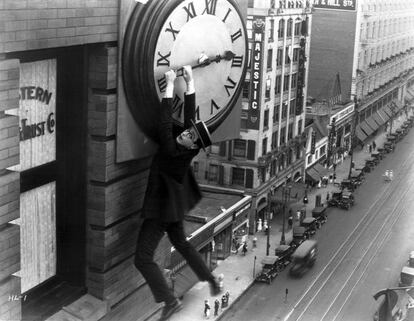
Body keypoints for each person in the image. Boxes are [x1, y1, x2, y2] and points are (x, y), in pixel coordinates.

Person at [134, 66, 223, 321]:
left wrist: (171, 85)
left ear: (192, 144)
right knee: (181, 243)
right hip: (172, 206)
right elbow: (189, 120)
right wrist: (190, 82)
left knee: (142, 258)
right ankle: (211, 279)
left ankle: (170, 300)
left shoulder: (173, 151)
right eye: (186, 132)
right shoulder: (189, 148)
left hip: (161, 209)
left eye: (188, 136)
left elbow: (164, 123)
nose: (184, 133)